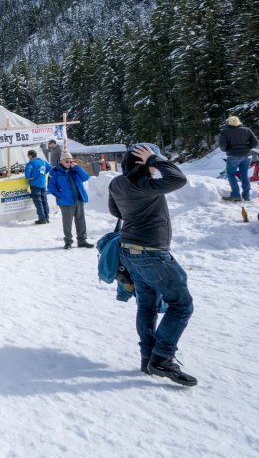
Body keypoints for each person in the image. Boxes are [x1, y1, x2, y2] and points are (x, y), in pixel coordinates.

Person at [108, 143, 195, 386]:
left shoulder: (117, 183)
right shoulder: (145, 184)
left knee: (147, 305)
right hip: (152, 252)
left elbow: (115, 211)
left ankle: (147, 358)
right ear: (146, 163)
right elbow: (178, 179)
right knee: (182, 305)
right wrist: (155, 159)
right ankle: (162, 358)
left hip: (129, 251)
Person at [48, 153, 91, 249]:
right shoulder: (54, 171)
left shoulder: (75, 169)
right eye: (66, 161)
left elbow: (86, 177)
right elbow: (51, 187)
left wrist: (77, 167)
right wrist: (61, 196)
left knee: (81, 221)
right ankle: (68, 242)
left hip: (79, 199)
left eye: (70, 161)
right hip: (66, 202)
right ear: (61, 161)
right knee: (67, 222)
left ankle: (82, 241)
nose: (68, 163)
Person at [219, 115, 259, 201]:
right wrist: (248, 147)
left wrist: (227, 149)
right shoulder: (247, 130)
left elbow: (222, 146)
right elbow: (255, 142)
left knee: (230, 174)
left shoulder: (225, 131)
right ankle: (246, 196)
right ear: (239, 121)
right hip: (247, 155)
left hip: (233, 155)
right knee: (244, 174)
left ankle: (235, 195)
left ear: (228, 122)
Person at [24, 150, 52, 225]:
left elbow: (27, 170)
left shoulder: (31, 162)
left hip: (35, 185)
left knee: (38, 202)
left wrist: (28, 178)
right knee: (44, 201)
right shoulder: (42, 161)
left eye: (28, 155)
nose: (28, 157)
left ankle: (42, 219)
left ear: (30, 155)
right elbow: (49, 167)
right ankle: (47, 218)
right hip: (43, 184)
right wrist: (42, 174)